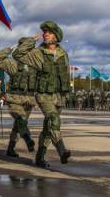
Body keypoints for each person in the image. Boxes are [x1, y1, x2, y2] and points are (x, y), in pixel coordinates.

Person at [13, 21, 72, 168]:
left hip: (58, 96)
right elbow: (17, 54)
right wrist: (32, 40)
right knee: (53, 120)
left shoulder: (63, 54)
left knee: (48, 128)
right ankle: (62, 150)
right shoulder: (37, 53)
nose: (45, 34)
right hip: (43, 95)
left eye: (49, 32)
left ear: (56, 36)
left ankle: (40, 157)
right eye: (44, 32)